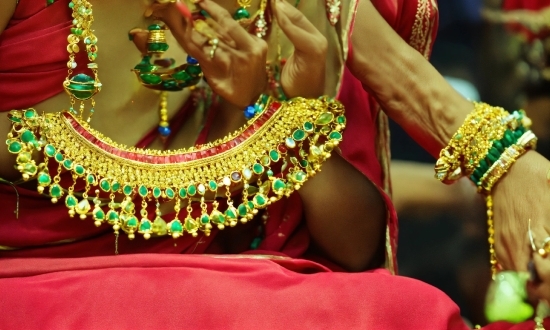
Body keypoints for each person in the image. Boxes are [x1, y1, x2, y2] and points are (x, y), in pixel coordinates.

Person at [0, 0, 549, 329]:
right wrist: (53, 150)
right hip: (33, 272)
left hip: (222, 275)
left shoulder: (267, 19)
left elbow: (359, 245)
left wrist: (269, 115)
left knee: (402, 310)